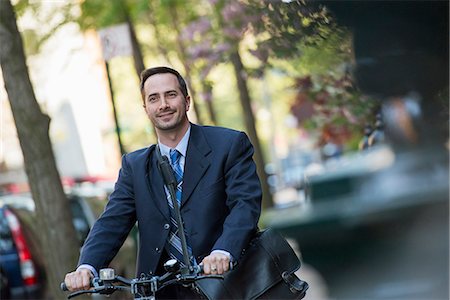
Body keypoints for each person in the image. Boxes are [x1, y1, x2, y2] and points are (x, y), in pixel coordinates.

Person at [64, 66, 262, 299]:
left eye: (171, 95)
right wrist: (86, 266)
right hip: (162, 290)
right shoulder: (134, 166)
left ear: (187, 101)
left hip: (225, 284)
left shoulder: (228, 145)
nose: (163, 105)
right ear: (146, 109)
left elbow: (245, 204)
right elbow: (112, 222)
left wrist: (223, 251)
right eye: (153, 98)